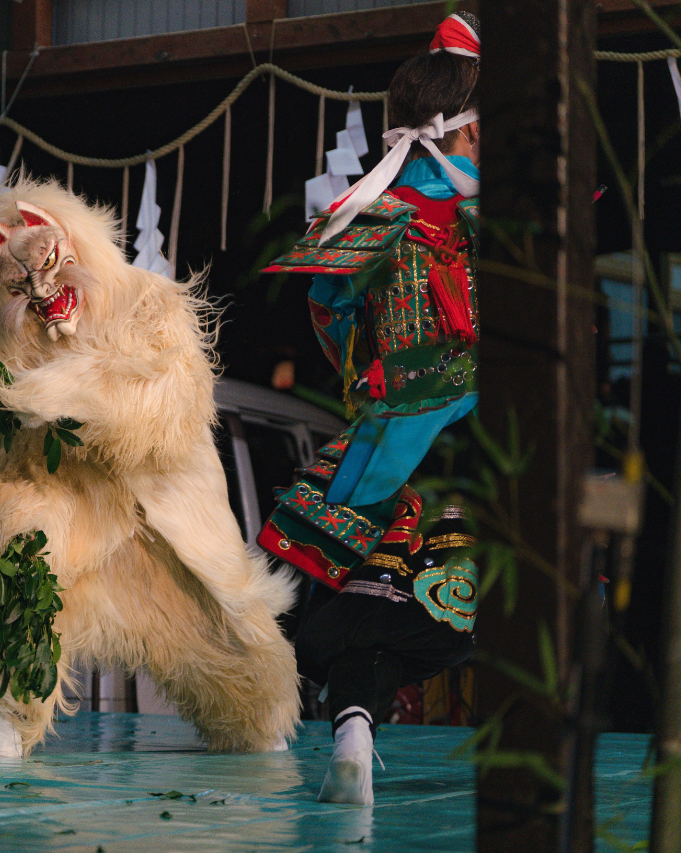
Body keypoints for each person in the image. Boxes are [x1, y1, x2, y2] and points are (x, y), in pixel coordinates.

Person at [257, 13, 483, 805]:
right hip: (480, 448)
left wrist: (370, 380)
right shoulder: (494, 217)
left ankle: (352, 735)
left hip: (384, 450)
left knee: (363, 604)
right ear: (464, 130)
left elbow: (327, 305)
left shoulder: (367, 218)